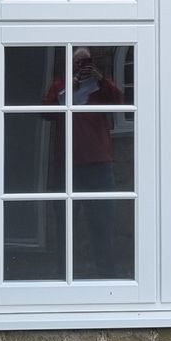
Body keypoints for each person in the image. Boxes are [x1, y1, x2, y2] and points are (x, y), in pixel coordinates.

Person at [45, 49, 124, 275]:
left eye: (85, 61)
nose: (81, 65)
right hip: (67, 166)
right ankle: (65, 274)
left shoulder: (100, 87)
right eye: (77, 61)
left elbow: (119, 101)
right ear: (69, 64)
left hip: (98, 165)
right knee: (65, 224)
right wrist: (71, 84)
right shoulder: (61, 85)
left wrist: (100, 78)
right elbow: (46, 110)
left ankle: (107, 275)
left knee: (102, 222)